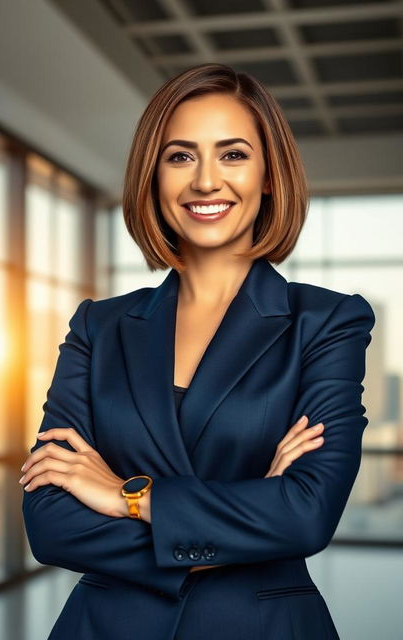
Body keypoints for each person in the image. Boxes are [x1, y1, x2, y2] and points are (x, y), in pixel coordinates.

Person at [20, 63, 375, 640]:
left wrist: (123, 495)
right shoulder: (98, 326)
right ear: (153, 176)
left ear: (268, 175)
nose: (206, 181)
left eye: (233, 155)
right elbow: (51, 524)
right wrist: (253, 514)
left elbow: (308, 514)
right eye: (180, 156)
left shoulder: (327, 321)